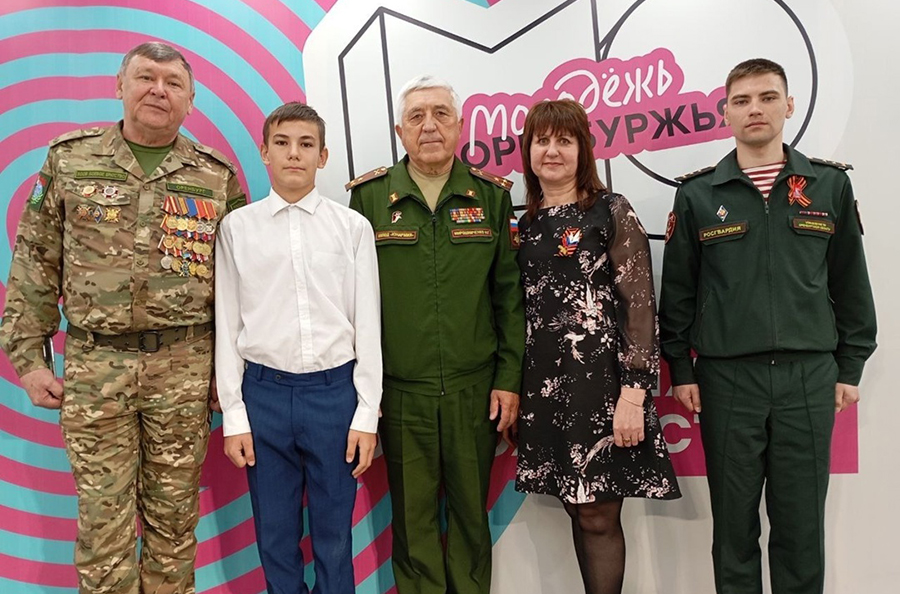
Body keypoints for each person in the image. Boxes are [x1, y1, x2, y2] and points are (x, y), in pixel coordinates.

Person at [0, 42, 246, 593]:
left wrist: (228, 376)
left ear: (190, 100)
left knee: (173, 523)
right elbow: (35, 261)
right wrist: (30, 360)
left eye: (173, 83)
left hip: (185, 369)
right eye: (145, 77)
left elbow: (240, 283)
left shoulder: (216, 176)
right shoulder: (69, 159)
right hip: (96, 369)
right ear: (120, 86)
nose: (158, 90)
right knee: (102, 525)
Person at [659, 58, 877, 594]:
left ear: (789, 105)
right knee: (733, 530)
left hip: (808, 376)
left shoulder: (828, 185)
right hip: (727, 380)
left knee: (801, 530)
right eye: (742, 100)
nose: (754, 109)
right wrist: (681, 369)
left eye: (767, 97)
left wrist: (850, 366)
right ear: (725, 112)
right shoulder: (698, 195)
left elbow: (851, 283)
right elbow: (679, 292)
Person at [347, 74, 525, 594]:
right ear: (400, 131)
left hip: (476, 390)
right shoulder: (369, 199)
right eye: (417, 116)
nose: (430, 126)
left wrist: (508, 378)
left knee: (471, 518)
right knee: (414, 522)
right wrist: (366, 390)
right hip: (401, 392)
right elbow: (352, 303)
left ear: (460, 126)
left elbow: (509, 296)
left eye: (441, 114)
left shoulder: (491, 197)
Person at [214, 102, 381, 594]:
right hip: (263, 396)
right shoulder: (237, 229)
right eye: (282, 143)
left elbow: (367, 324)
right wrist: (235, 415)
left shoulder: (351, 228)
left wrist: (366, 413)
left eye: (306, 144)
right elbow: (228, 324)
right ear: (264, 152)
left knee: (334, 539)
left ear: (322, 156)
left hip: (334, 396)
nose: (294, 154)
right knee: (275, 536)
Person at [515, 99, 680, 594]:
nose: (552, 151)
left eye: (564, 140)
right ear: (528, 150)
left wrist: (633, 394)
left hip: (603, 390)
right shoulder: (523, 225)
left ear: (583, 149)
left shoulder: (611, 211)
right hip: (545, 389)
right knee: (576, 505)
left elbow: (640, 305)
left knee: (597, 514)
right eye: (542, 140)